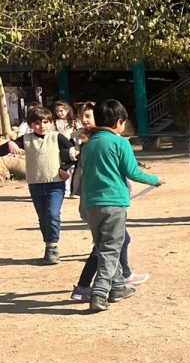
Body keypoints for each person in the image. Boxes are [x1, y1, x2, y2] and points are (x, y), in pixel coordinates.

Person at [78, 99, 163, 312]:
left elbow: (84, 175)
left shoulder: (88, 143)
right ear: (118, 122)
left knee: (103, 247)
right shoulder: (120, 142)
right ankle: (99, 293)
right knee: (110, 249)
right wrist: (155, 179)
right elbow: (132, 172)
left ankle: (117, 288)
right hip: (113, 202)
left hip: (91, 204)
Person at [1, 104, 75, 264]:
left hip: (55, 184)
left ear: (51, 122)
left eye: (45, 122)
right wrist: (9, 144)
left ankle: (53, 246)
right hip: (35, 184)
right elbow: (2, 150)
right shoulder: (26, 139)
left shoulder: (57, 137)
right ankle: (49, 246)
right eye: (37, 123)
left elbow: (72, 153)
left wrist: (65, 168)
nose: (42, 126)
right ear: (30, 125)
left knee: (53, 214)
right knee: (43, 217)